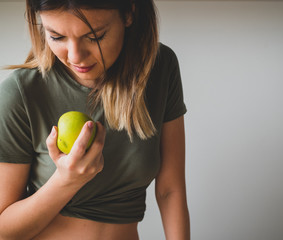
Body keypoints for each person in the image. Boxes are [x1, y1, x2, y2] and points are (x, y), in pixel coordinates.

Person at [0, 0, 190, 239]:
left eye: (95, 37)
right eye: (57, 37)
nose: (75, 56)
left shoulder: (160, 67)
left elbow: (170, 191)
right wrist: (66, 181)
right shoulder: (20, 92)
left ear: (129, 13)